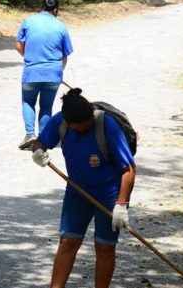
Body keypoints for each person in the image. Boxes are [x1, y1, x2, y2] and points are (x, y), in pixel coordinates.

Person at [29, 88, 136, 288]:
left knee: (104, 247)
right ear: (69, 123)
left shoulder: (107, 125)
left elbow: (128, 169)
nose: (84, 129)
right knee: (68, 242)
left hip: (109, 194)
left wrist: (121, 204)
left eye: (87, 124)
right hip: (77, 191)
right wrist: (38, 151)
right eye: (79, 127)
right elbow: (40, 142)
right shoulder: (60, 121)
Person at [16, 0, 74, 149]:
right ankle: (43, 138)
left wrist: (30, 58)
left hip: (31, 72)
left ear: (41, 7)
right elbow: (65, 55)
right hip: (52, 74)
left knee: (28, 102)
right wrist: (59, 72)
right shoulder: (60, 26)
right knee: (46, 106)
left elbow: (19, 45)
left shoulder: (29, 21)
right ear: (56, 10)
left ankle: (30, 134)